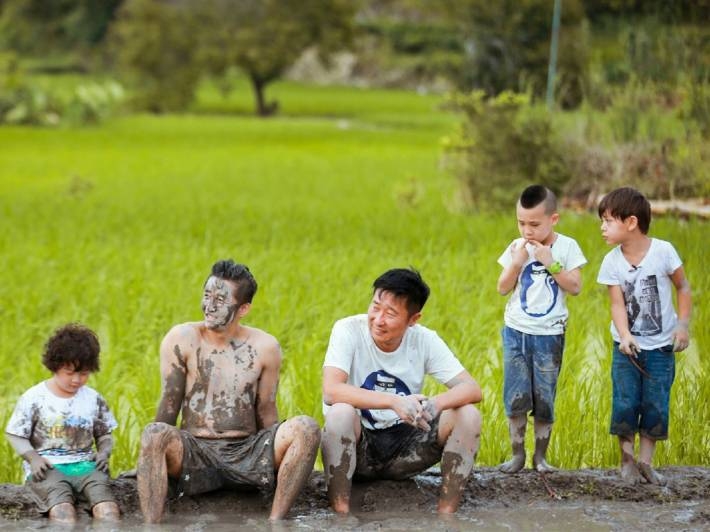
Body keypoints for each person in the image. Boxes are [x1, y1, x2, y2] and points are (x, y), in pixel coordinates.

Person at [136, 259, 320, 523]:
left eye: (220, 300)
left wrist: (278, 457)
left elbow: (266, 409)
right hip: (195, 450)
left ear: (243, 308)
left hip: (247, 450)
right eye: (207, 295)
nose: (209, 306)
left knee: (307, 428)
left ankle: (275, 522)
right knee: (153, 433)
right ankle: (151, 526)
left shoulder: (265, 346)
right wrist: (150, 455)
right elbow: (169, 403)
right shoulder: (182, 338)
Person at [321, 267, 482, 514]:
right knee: (340, 412)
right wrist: (394, 401)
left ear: (413, 319)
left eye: (391, 313)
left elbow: (472, 388)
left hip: (406, 449)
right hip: (360, 447)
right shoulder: (348, 330)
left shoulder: (424, 340)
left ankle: (446, 515)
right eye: (375, 307)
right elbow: (331, 390)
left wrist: (435, 404)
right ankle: (341, 513)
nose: (378, 319)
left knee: (468, 414)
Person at [597, 187, 692, 485]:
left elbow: (683, 287)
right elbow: (616, 303)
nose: (602, 227)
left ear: (631, 222)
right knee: (625, 401)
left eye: (608, 220)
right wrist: (624, 335)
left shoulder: (663, 252)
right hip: (628, 348)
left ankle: (646, 463)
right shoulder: (611, 262)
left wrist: (683, 324)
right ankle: (626, 462)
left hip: (661, 348)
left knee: (656, 403)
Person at [497, 185, 587, 474]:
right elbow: (502, 288)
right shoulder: (516, 247)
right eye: (521, 223)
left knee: (544, 397)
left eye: (534, 224)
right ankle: (517, 455)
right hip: (516, 332)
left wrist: (551, 262)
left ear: (554, 219)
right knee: (516, 395)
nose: (527, 231)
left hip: (549, 334)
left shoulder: (567, 247)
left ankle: (541, 457)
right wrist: (517, 262)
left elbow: (574, 287)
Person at [5, 323, 120, 524]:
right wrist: (33, 458)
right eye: (69, 372)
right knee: (63, 514)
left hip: (86, 468)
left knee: (109, 511)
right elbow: (15, 434)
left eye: (83, 374)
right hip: (48, 468)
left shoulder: (93, 399)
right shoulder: (34, 398)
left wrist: (103, 452)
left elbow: (104, 434)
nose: (76, 380)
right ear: (55, 366)